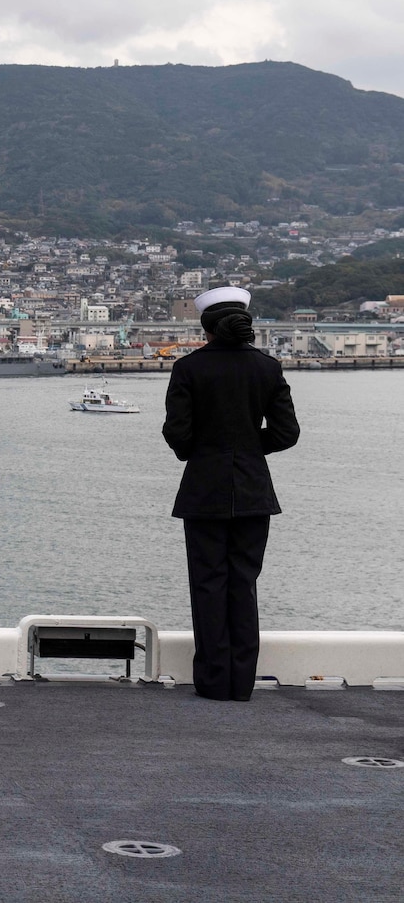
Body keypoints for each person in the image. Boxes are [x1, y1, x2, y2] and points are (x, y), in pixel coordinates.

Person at [162, 286, 300, 702]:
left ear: (206, 327)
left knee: (208, 583)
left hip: (204, 490)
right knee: (244, 583)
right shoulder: (268, 367)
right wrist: (247, 446)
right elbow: (286, 433)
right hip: (255, 491)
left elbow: (177, 433)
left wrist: (200, 451)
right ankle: (242, 683)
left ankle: (213, 680)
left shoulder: (189, 368)